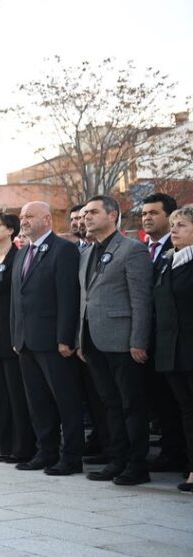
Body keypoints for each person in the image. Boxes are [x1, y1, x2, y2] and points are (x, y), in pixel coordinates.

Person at [78, 194, 153, 485]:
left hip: (123, 342)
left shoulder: (132, 249)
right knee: (109, 404)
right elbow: (83, 300)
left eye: (93, 212)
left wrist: (139, 340)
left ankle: (137, 465)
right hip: (93, 341)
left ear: (112, 216)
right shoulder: (86, 252)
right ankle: (116, 459)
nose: (86, 217)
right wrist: (79, 339)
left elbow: (141, 300)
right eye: (84, 213)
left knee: (131, 404)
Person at [11, 201, 84, 475]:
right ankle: (46, 451)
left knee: (65, 401)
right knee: (38, 402)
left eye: (29, 216)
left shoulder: (63, 250)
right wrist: (15, 336)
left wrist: (65, 337)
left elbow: (68, 297)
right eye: (21, 216)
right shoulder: (22, 253)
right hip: (26, 342)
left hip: (54, 342)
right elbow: (16, 301)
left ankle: (71, 456)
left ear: (47, 220)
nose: (24, 220)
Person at [0, 213, 35, 464]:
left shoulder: (19, 257)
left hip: (11, 333)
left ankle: (23, 447)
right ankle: (6, 445)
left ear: (11, 230)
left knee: (16, 393)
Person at [141, 193, 186, 473]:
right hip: (152, 339)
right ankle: (170, 451)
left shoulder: (179, 247)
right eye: (144, 213)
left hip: (175, 338)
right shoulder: (143, 247)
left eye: (154, 213)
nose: (147, 217)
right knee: (162, 401)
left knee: (178, 401)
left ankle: (179, 452)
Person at [152, 204, 193, 491]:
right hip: (171, 351)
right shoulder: (167, 260)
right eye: (174, 224)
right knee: (186, 410)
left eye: (183, 225)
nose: (174, 229)